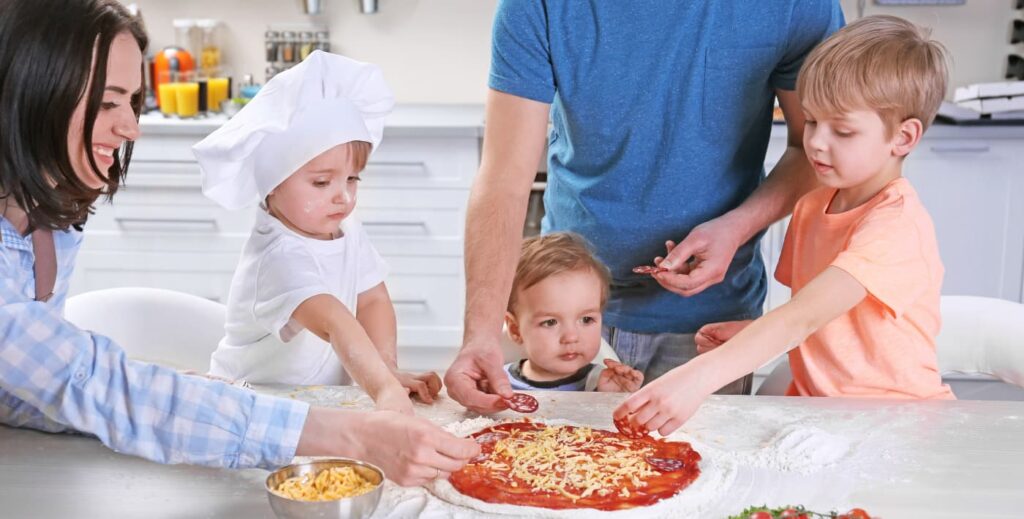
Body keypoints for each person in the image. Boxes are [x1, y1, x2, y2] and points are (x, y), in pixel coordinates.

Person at [0, 0, 476, 486]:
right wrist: (355, 436)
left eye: (133, 102)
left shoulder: (49, 222)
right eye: (107, 102)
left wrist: (177, 395)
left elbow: (31, 385)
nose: (131, 128)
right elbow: (87, 381)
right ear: (32, 90)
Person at [445, 0, 844, 413]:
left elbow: (816, 152)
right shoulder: (539, 6)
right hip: (565, 306)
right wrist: (481, 333)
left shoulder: (796, 5)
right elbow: (504, 179)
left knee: (699, 470)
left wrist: (736, 227)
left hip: (708, 322)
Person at [615, 15, 956, 436]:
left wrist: (698, 377)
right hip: (818, 415)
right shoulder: (813, 204)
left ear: (903, 138)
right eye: (811, 121)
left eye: (843, 131)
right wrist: (752, 335)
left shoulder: (897, 227)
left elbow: (802, 318)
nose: (814, 141)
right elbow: (828, 318)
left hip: (894, 422)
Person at [193, 51, 441, 413]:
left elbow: (372, 299)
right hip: (249, 402)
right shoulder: (278, 256)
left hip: (311, 404)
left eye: (352, 179)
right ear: (273, 184)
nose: (343, 196)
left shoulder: (344, 229)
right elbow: (335, 321)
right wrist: (384, 390)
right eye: (322, 182)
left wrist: (386, 368)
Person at [502, 232, 643, 392]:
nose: (571, 337)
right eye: (550, 322)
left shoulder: (605, 384)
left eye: (586, 319)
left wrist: (612, 400)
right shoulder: (495, 383)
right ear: (515, 329)